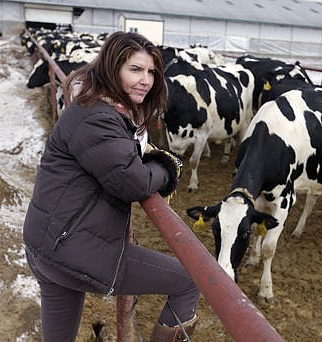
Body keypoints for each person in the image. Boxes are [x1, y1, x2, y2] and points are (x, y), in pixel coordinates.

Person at [23, 31, 200, 342]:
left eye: (151, 72)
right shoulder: (97, 117)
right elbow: (132, 182)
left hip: (47, 244)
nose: (146, 80)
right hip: (70, 249)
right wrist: (167, 166)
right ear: (111, 68)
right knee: (188, 280)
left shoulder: (92, 105)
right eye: (135, 69)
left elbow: (116, 162)